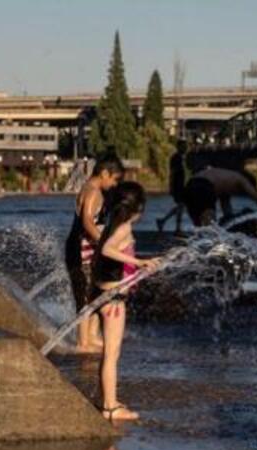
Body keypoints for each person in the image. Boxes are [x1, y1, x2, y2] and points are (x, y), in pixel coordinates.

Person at [92, 181, 160, 421]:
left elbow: (117, 260)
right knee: (112, 354)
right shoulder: (122, 229)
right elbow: (107, 251)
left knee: (109, 354)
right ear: (136, 208)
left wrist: (141, 266)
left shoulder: (112, 224)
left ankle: (109, 400)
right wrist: (141, 262)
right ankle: (110, 407)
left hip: (104, 293)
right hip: (114, 301)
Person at [64, 155, 123, 353]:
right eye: (114, 179)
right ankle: (83, 342)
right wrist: (105, 243)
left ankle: (91, 336)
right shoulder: (93, 191)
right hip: (79, 251)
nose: (114, 184)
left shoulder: (92, 189)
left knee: (94, 292)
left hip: (85, 250)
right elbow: (87, 222)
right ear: (104, 174)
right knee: (84, 297)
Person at [184, 167, 257, 227]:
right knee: (210, 227)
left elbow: (226, 208)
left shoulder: (226, 180)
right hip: (204, 185)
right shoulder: (241, 178)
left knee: (199, 225)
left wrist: (229, 221)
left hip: (190, 185)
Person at [156, 140, 188, 235]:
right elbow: (172, 173)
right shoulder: (176, 158)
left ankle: (163, 221)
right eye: (184, 146)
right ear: (179, 147)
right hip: (177, 186)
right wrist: (171, 186)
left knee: (180, 207)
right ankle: (176, 228)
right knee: (180, 207)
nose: (186, 148)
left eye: (186, 146)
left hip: (181, 185)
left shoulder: (181, 158)